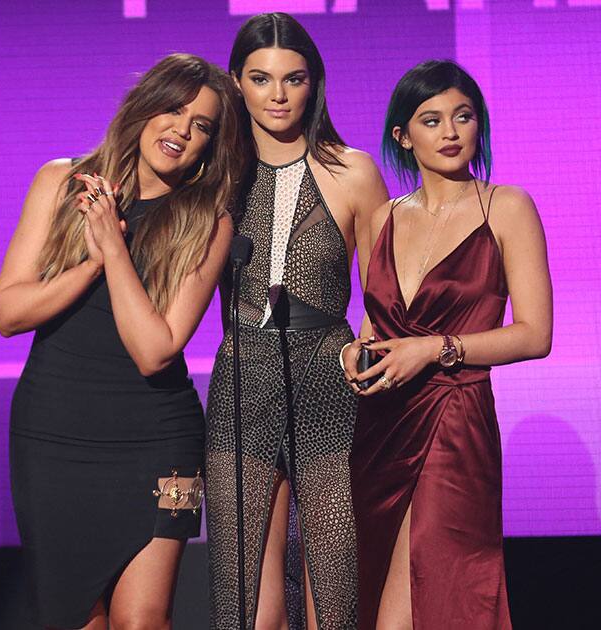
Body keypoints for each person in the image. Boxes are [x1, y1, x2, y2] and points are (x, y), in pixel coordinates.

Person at [0, 53, 247, 630]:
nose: (182, 130)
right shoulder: (62, 181)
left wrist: (113, 250)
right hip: (52, 437)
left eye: (202, 124)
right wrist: (89, 263)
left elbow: (156, 348)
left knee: (143, 620)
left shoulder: (210, 220)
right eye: (174, 110)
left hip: (162, 441)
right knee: (79, 619)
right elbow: (9, 312)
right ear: (143, 107)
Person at [344, 60, 552, 629]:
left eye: (463, 117)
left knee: (444, 593)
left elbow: (535, 335)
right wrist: (355, 351)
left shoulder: (506, 206)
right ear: (402, 136)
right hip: (381, 425)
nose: (451, 132)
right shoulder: (385, 215)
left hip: (453, 421)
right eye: (431, 120)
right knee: (383, 597)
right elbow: (377, 320)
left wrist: (437, 349)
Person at [205, 12, 389, 630]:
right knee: (242, 598)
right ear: (236, 84)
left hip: (329, 382)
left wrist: (367, 348)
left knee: (333, 595)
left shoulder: (354, 171)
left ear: (314, 84)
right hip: (241, 380)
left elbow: (387, 297)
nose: (278, 95)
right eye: (260, 78)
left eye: (294, 78)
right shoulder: (214, 176)